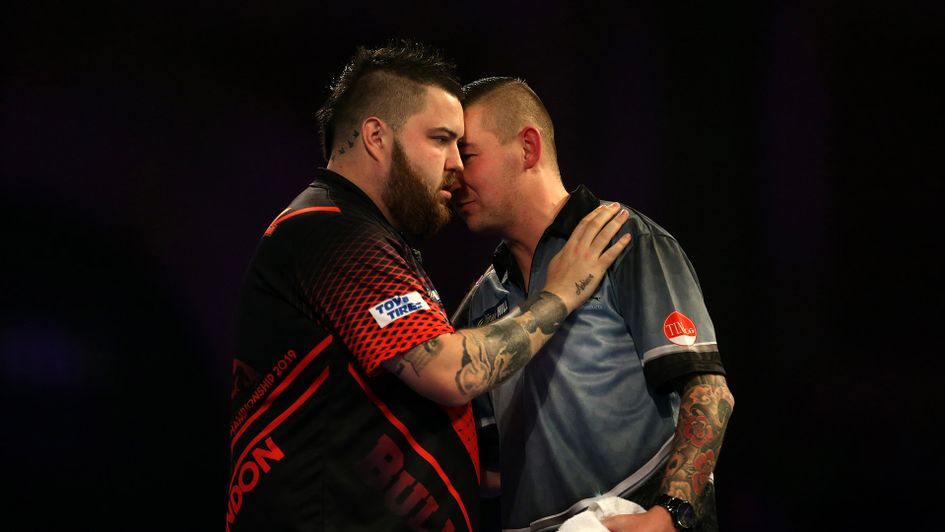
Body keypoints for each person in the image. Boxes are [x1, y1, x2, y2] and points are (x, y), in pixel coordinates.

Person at [225, 43, 631, 532]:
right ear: (376, 135)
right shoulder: (329, 231)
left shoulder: (367, 236)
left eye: (461, 145)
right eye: (441, 139)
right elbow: (445, 370)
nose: (458, 163)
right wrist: (559, 293)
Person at [449, 77, 735, 532]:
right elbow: (485, 470)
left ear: (527, 148)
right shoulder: (479, 301)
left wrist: (667, 518)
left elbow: (709, 392)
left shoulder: (629, 241)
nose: (453, 174)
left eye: (466, 155)